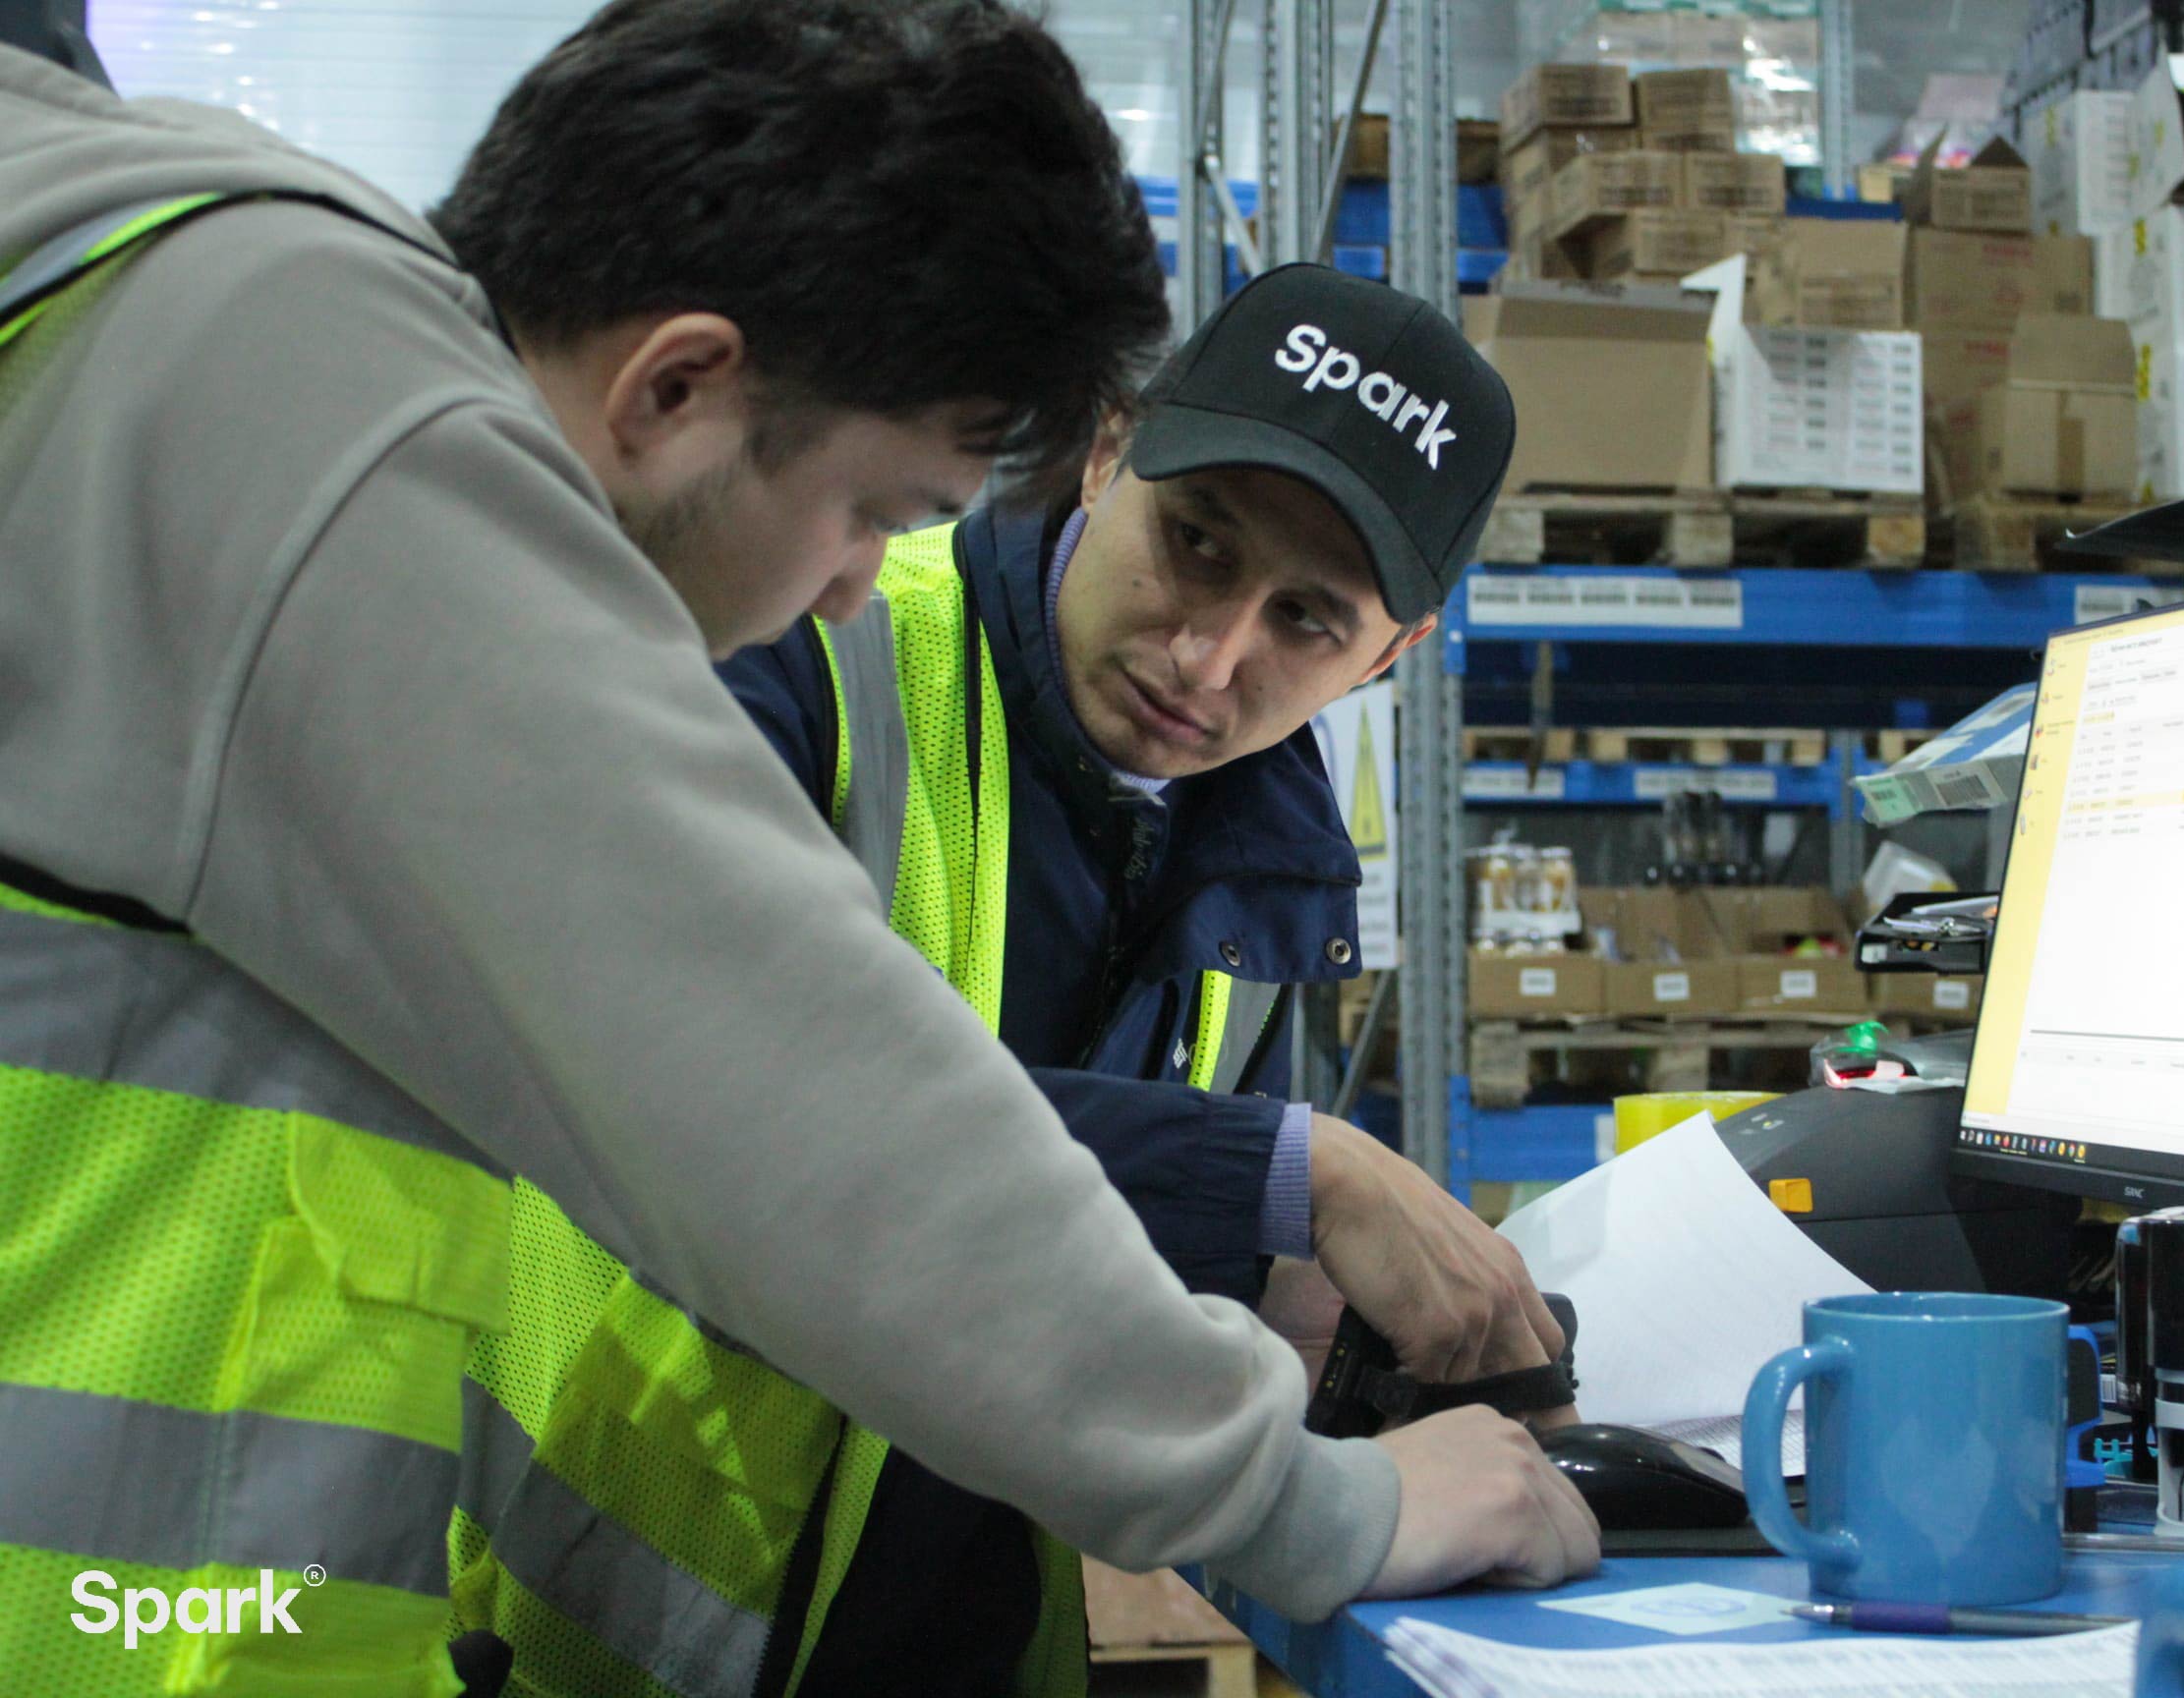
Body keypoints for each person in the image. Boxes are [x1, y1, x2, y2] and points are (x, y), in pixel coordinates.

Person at [0, 3, 1595, 1692]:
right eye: (877, 514)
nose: (849, 588)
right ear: (678, 385)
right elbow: (804, 1118)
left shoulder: (162, 309)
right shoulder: (352, 461)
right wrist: (1316, 1504)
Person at [462, 262, 1583, 1697]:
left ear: (1394, 655)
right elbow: (723, 1093)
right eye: (1196, 541)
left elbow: (1091, 1254)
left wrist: (1283, 1310)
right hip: (570, 1635)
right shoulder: (806, 643)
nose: (1209, 656)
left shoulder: (1259, 865)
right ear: (1109, 447)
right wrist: (1296, 1174)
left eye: (1307, 621)